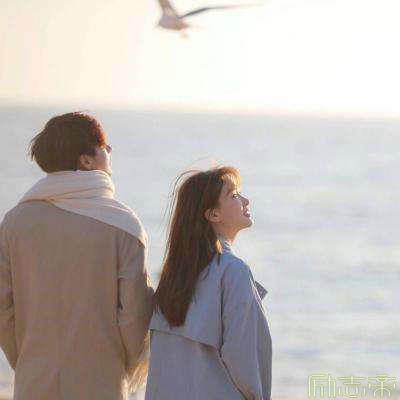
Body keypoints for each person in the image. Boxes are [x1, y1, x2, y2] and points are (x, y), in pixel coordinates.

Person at [0, 112, 154, 400]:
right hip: (101, 382)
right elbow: (133, 315)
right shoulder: (123, 225)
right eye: (104, 147)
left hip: (34, 381)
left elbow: (3, 311)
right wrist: (127, 367)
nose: (110, 151)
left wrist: (27, 361)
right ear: (86, 160)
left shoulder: (14, 222)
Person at [145, 166, 272, 400]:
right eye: (234, 195)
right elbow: (244, 362)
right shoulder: (233, 272)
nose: (245, 200)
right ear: (213, 214)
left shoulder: (173, 277)